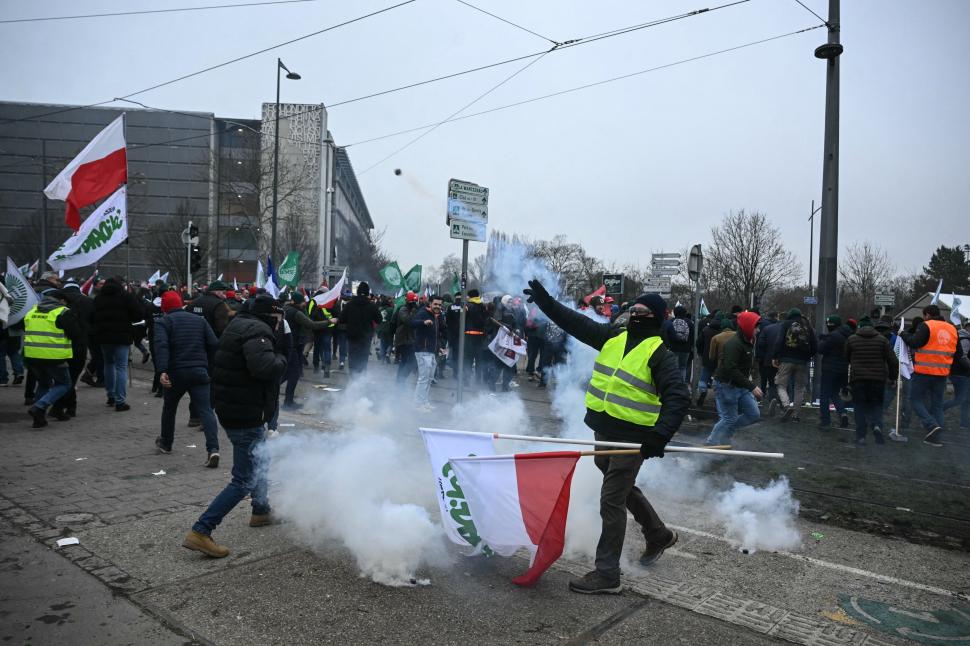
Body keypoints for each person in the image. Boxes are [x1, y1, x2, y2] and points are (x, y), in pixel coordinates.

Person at [523, 280, 689, 594]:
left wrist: (659, 436)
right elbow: (577, 323)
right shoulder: (614, 336)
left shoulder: (659, 354)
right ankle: (658, 534)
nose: (636, 314)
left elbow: (678, 398)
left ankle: (607, 574)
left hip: (633, 439)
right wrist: (546, 302)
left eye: (643, 311)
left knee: (611, 499)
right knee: (620, 486)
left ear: (656, 317)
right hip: (604, 430)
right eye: (634, 309)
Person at [183, 295, 287, 558]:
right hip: (245, 413)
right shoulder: (258, 331)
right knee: (244, 479)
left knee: (260, 460)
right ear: (271, 316)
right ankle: (201, 530)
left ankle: (261, 511)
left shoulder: (240, 325)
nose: (279, 324)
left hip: (237, 408)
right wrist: (283, 360)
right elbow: (264, 367)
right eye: (278, 319)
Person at [153, 290, 221, 467]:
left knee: (170, 407)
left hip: (176, 373)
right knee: (206, 410)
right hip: (199, 371)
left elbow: (161, 346)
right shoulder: (200, 320)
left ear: (165, 308)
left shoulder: (163, 321)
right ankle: (213, 449)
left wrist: (162, 371)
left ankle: (166, 443)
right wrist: (207, 364)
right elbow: (214, 344)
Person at [23, 286, 81, 428]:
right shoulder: (62, 312)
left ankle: (39, 419)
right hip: (54, 356)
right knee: (64, 384)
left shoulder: (32, 311)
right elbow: (75, 334)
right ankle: (39, 406)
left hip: (33, 355)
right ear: (61, 300)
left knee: (43, 384)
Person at [904, 305, 962, 446]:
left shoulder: (926, 325)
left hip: (924, 372)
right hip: (942, 374)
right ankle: (936, 436)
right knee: (937, 405)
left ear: (927, 315)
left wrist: (903, 334)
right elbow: (958, 354)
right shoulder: (952, 329)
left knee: (915, 399)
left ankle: (931, 425)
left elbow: (915, 342)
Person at [705, 311, 762, 447]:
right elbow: (731, 369)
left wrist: (750, 381)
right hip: (726, 386)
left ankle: (724, 434)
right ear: (748, 327)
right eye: (756, 327)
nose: (758, 330)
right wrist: (752, 386)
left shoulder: (749, 341)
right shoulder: (734, 344)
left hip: (740, 386)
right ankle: (711, 443)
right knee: (729, 419)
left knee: (753, 414)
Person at [844, 316, 898, 447]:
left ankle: (861, 436)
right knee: (877, 405)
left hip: (858, 380)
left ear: (860, 327)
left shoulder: (851, 339)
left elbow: (845, 358)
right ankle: (877, 426)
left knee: (860, 407)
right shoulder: (882, 340)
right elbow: (893, 361)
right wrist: (892, 377)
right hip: (878, 380)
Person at [92, 277, 142, 411]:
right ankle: (120, 401)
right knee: (121, 367)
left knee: (108, 364)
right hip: (122, 336)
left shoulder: (98, 298)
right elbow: (138, 315)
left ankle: (111, 395)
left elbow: (93, 317)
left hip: (104, 337)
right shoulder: (126, 297)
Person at [282, 292, 331, 408]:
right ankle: (288, 402)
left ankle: (275, 392)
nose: (305, 303)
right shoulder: (296, 312)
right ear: (297, 302)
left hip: (290, 344)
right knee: (294, 374)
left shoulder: (286, 309)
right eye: (302, 302)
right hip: (293, 345)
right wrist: (329, 321)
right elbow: (311, 324)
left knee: (288, 373)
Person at [771, 308, 817, 422]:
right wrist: (807, 357)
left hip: (786, 360)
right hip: (802, 361)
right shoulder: (807, 325)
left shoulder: (786, 324)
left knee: (781, 385)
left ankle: (787, 406)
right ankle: (796, 415)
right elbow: (815, 345)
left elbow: (779, 341)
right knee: (799, 388)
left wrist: (775, 356)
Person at [338, 282, 382, 376]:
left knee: (353, 359)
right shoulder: (371, 305)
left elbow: (341, 319)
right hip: (366, 338)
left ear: (357, 292)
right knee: (363, 359)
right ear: (367, 293)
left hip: (352, 337)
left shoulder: (350, 304)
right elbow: (379, 320)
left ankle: (353, 381)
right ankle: (361, 381)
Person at [817, 314, 851, 429]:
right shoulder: (847, 335)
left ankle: (825, 421)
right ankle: (843, 413)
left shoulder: (832, 336)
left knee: (824, 395)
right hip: (842, 369)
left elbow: (821, 349)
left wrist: (822, 339)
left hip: (829, 369)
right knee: (834, 394)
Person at [412, 295, 443, 410]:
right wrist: (423, 322)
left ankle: (424, 402)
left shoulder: (435, 316)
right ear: (430, 303)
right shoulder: (423, 313)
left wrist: (438, 347)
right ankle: (418, 404)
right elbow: (412, 323)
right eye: (435, 304)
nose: (437, 306)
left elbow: (434, 335)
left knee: (430, 378)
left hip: (431, 351)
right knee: (424, 378)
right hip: (422, 351)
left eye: (439, 305)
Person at [943, 320, 970, 430]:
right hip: (960, 374)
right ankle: (938, 409)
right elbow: (963, 358)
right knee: (961, 399)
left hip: (962, 374)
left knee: (966, 399)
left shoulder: (964, 338)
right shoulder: (965, 339)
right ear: (967, 327)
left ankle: (964, 423)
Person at [661, 305, 694, 384]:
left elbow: (667, 335)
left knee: (674, 367)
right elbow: (692, 336)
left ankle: (674, 383)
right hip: (686, 349)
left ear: (675, 313)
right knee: (683, 367)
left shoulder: (671, 322)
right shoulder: (690, 322)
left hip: (673, 348)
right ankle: (682, 383)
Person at [393, 292, 419, 384]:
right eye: (413, 302)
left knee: (405, 361)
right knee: (410, 361)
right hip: (403, 339)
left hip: (410, 339)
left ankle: (400, 381)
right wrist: (413, 311)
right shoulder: (403, 309)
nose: (414, 304)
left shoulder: (414, 309)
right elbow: (408, 321)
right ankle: (401, 379)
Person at [463, 289, 487, 385]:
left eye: (468, 296)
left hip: (469, 335)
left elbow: (463, 319)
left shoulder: (468, 306)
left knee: (468, 359)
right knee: (479, 360)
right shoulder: (483, 306)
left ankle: (466, 380)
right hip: (480, 336)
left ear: (471, 296)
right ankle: (478, 380)